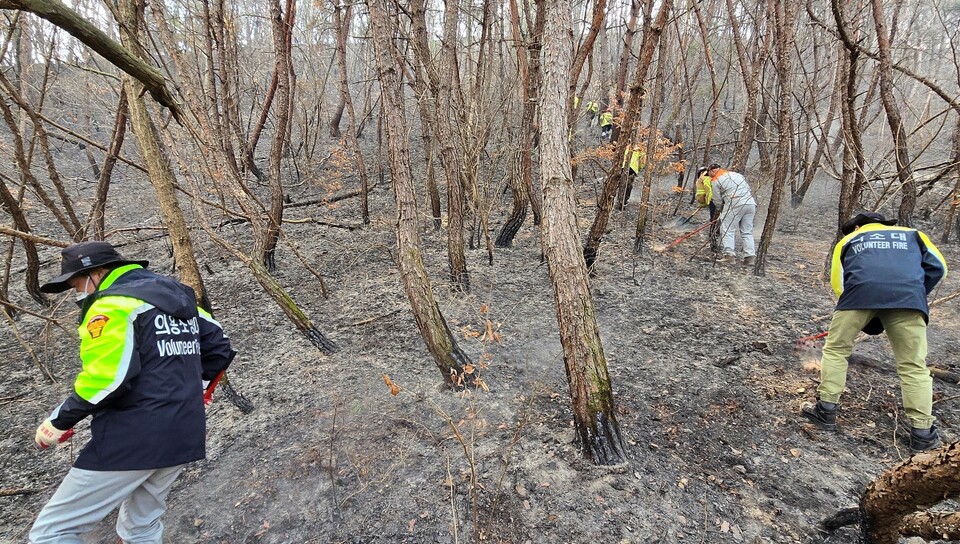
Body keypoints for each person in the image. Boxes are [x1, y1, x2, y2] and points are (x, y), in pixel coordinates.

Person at [30, 241, 236, 543]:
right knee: (141, 528)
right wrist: (199, 391)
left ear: (97, 274)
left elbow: (107, 379)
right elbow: (220, 347)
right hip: (184, 431)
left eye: (77, 284)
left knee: (51, 532)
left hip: (132, 437)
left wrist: (58, 422)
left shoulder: (111, 305)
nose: (78, 292)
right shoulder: (176, 295)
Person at [801, 212, 948, 452]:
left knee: (837, 350)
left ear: (857, 226)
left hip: (858, 297)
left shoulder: (849, 240)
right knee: (913, 365)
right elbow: (939, 268)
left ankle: (825, 411)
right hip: (908, 299)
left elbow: (838, 282)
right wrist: (916, 292)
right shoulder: (914, 235)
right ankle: (922, 433)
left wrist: (860, 311)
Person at [707, 163, 756, 264]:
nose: (709, 176)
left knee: (727, 229)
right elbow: (748, 189)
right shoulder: (737, 175)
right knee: (747, 231)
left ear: (712, 171)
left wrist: (721, 210)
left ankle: (729, 256)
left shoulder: (716, 180)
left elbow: (717, 200)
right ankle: (750, 257)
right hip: (750, 203)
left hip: (735, 203)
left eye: (709, 173)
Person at [694, 166, 721, 252]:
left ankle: (713, 234)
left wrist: (702, 203)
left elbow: (701, 194)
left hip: (714, 201)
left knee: (713, 218)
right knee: (721, 217)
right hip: (724, 199)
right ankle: (717, 232)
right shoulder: (716, 176)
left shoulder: (701, 179)